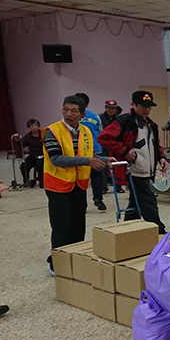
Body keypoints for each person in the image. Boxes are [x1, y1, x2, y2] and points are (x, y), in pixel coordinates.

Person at [44, 95, 115, 274]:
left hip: (79, 186)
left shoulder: (86, 131)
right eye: (65, 109)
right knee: (61, 226)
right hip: (58, 186)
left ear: (82, 114)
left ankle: (75, 258)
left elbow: (89, 154)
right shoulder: (52, 131)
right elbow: (56, 159)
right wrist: (88, 161)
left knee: (78, 225)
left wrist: (105, 159)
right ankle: (58, 264)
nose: (68, 114)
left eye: (73, 111)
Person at [98, 90, 168, 234]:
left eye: (149, 107)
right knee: (149, 200)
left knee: (136, 202)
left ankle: (127, 230)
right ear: (133, 105)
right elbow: (103, 138)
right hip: (133, 170)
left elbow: (155, 145)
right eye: (143, 106)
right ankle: (158, 231)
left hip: (147, 170)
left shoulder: (151, 124)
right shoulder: (124, 121)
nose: (147, 110)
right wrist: (124, 151)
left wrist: (161, 157)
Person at [76, 92, 107, 211]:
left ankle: (84, 203)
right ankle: (98, 199)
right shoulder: (95, 116)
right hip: (92, 151)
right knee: (96, 178)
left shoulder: (72, 117)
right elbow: (101, 132)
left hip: (84, 152)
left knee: (82, 179)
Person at [99, 99, 123, 194]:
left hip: (115, 145)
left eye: (113, 109)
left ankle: (118, 186)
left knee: (117, 165)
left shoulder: (119, 119)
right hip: (104, 145)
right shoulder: (100, 118)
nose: (111, 111)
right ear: (105, 108)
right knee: (104, 166)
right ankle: (103, 187)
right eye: (109, 108)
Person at [12, 119, 44, 188]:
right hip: (32, 156)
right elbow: (22, 144)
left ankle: (42, 182)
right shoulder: (28, 136)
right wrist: (17, 140)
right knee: (23, 166)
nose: (34, 127)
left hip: (43, 156)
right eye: (32, 126)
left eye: (35, 125)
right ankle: (26, 181)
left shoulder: (43, 134)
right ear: (29, 127)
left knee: (40, 165)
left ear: (38, 126)